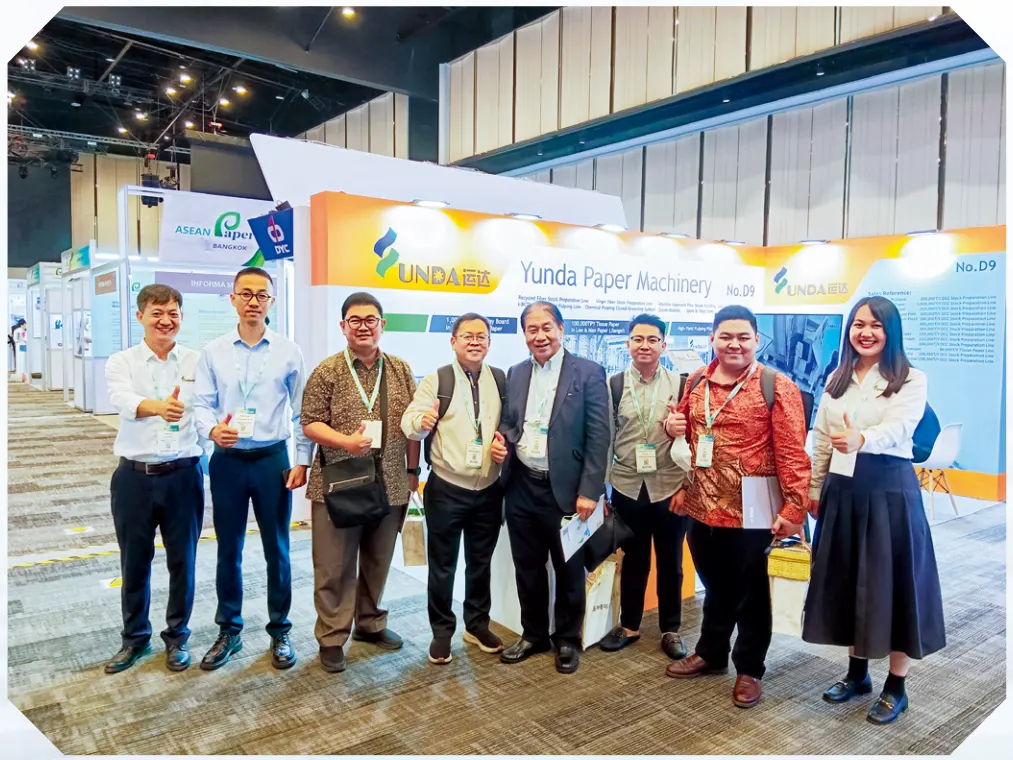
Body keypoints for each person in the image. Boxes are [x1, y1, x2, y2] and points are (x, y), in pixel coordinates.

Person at [803, 296, 944, 725]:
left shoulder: (910, 379)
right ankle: (857, 674)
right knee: (849, 583)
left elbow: (900, 428)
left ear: (890, 331)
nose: (865, 333)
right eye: (858, 324)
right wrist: (814, 488)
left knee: (895, 587)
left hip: (889, 491)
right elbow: (822, 436)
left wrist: (861, 440)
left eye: (875, 326)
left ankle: (896, 687)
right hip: (843, 489)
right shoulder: (837, 377)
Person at [666, 305, 810, 709]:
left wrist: (794, 509)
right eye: (726, 336)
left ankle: (749, 668)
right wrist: (671, 430)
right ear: (712, 338)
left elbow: (793, 453)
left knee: (751, 593)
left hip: (753, 510)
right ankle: (711, 653)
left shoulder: (776, 386)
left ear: (756, 340)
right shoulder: (697, 380)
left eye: (743, 337)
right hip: (701, 505)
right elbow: (686, 437)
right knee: (716, 587)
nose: (734, 344)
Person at [192, 266, 311, 671]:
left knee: (278, 548)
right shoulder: (213, 351)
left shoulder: (289, 351)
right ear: (232, 299)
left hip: (270, 460)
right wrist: (211, 430)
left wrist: (302, 460)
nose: (253, 301)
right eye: (246, 294)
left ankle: (280, 630)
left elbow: (301, 412)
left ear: (272, 301)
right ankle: (229, 629)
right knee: (229, 549)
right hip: (227, 460)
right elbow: (201, 404)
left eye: (262, 295)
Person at [300, 292, 421, 673]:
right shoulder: (328, 370)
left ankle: (369, 623)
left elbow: (413, 426)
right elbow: (309, 422)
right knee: (333, 565)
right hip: (340, 484)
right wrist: (345, 442)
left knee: (378, 560)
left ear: (382, 325)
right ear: (343, 326)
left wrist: (413, 472)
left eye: (371, 320)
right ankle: (332, 636)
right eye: (355, 320)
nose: (364, 326)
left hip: (391, 481)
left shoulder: (401, 369)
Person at [497, 301, 610, 674]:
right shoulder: (516, 373)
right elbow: (511, 422)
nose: (540, 336)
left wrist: (590, 490)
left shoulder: (588, 372)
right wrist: (504, 439)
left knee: (568, 568)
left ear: (561, 328)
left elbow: (599, 435)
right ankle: (533, 635)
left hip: (567, 491)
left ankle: (566, 639)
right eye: (532, 329)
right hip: (521, 486)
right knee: (527, 566)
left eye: (547, 327)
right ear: (524, 334)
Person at [102, 285, 203, 673]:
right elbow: (122, 399)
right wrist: (159, 407)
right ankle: (134, 638)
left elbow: (207, 407)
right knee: (134, 562)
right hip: (135, 478)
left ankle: (177, 638)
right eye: (157, 312)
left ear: (181, 317)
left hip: (183, 476)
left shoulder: (195, 361)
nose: (165, 320)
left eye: (173, 313)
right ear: (141, 316)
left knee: (183, 562)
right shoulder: (122, 361)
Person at [401, 312, 509, 665]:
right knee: (443, 566)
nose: (475, 342)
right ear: (453, 341)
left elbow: (508, 426)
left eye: (481, 336)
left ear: (489, 342)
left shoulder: (500, 379)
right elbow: (409, 423)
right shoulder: (438, 379)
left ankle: (476, 625)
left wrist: (504, 446)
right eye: (467, 336)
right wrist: (422, 421)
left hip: (489, 489)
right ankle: (442, 632)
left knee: (480, 563)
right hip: (447, 488)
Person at [599, 314, 691, 659]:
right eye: (638, 339)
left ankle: (671, 628)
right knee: (634, 559)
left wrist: (687, 486)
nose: (645, 345)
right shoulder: (614, 385)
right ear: (627, 344)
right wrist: (602, 489)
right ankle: (629, 625)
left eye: (652, 340)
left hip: (670, 486)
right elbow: (607, 439)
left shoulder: (681, 385)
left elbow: (694, 439)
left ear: (663, 345)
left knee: (671, 562)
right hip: (627, 486)